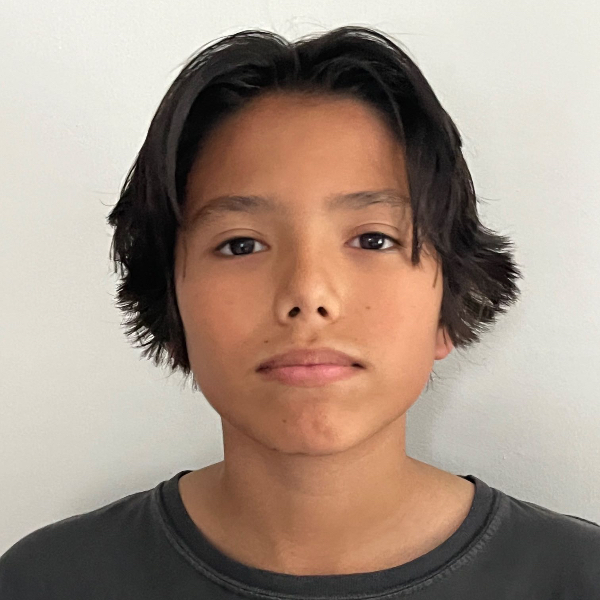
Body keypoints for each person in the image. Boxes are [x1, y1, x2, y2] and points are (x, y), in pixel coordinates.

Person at [1, 25, 598, 599]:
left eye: (373, 239)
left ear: (449, 303)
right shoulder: (49, 582)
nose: (308, 294)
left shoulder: (577, 577)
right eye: (241, 244)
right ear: (172, 304)